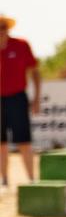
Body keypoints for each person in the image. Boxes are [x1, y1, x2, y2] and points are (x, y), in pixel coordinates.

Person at [0, 15, 41, 188]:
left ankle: (32, 180)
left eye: (3, 27)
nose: (0, 30)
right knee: (1, 142)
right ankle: (4, 181)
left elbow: (35, 73)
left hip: (17, 97)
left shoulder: (21, 45)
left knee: (24, 140)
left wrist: (37, 98)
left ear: (8, 28)